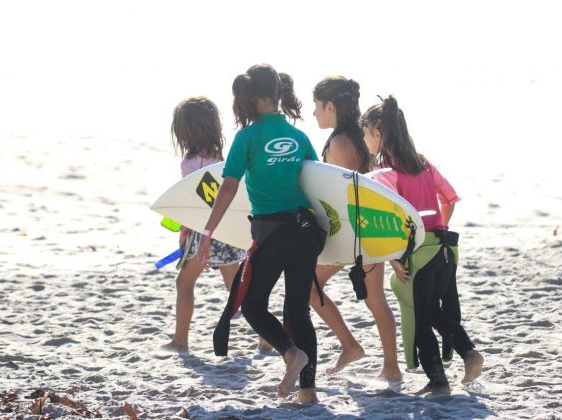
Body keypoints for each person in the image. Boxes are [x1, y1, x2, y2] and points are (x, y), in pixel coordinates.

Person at [197, 64, 324, 404]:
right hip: (306, 229)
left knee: (252, 304)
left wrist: (208, 231)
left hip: (274, 231)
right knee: (298, 310)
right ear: (279, 94)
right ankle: (307, 392)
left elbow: (227, 188)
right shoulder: (299, 136)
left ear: (250, 97)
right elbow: (318, 184)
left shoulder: (247, 137)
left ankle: (289, 353)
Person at [360, 95, 484, 394]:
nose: (365, 141)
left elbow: (386, 222)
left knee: (420, 314)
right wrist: (436, 228)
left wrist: (395, 257)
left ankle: (449, 373)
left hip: (418, 252)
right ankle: (462, 360)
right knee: (431, 310)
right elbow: (450, 199)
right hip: (445, 248)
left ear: (377, 134)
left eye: (365, 134)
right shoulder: (424, 163)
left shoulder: (384, 173)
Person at [310, 76, 402, 381]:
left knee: (309, 288)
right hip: (369, 229)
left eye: (317, 106)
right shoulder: (361, 136)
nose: (314, 113)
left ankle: (350, 345)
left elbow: (340, 193)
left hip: (347, 233)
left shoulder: (338, 142)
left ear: (331, 105)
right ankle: (391, 368)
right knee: (376, 300)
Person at [161, 96, 245, 353]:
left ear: (186, 130)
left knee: (184, 283)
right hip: (228, 229)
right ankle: (267, 337)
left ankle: (180, 341)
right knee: (238, 290)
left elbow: (193, 205)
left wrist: (185, 235)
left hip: (205, 232)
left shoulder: (191, 164)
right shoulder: (221, 158)